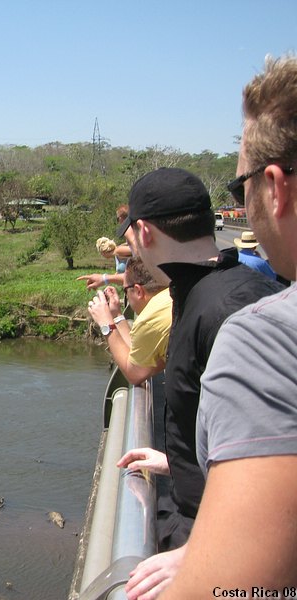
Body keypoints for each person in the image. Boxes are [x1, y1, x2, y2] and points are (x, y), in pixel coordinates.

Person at [161, 54, 297, 598]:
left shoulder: (266, 339)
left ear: (274, 186)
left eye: (240, 183)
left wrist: (211, 553)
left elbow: (235, 592)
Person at [113, 167, 283, 599]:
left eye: (129, 235)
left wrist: (205, 555)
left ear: (144, 233)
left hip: (226, 553)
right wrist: (182, 460)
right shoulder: (204, 291)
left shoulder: (228, 309)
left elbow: (282, 458)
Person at [86, 256, 171, 385]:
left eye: (125, 291)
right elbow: (138, 355)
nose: (125, 296)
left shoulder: (150, 319)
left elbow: (135, 374)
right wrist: (116, 315)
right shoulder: (168, 297)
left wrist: (106, 325)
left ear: (138, 291)